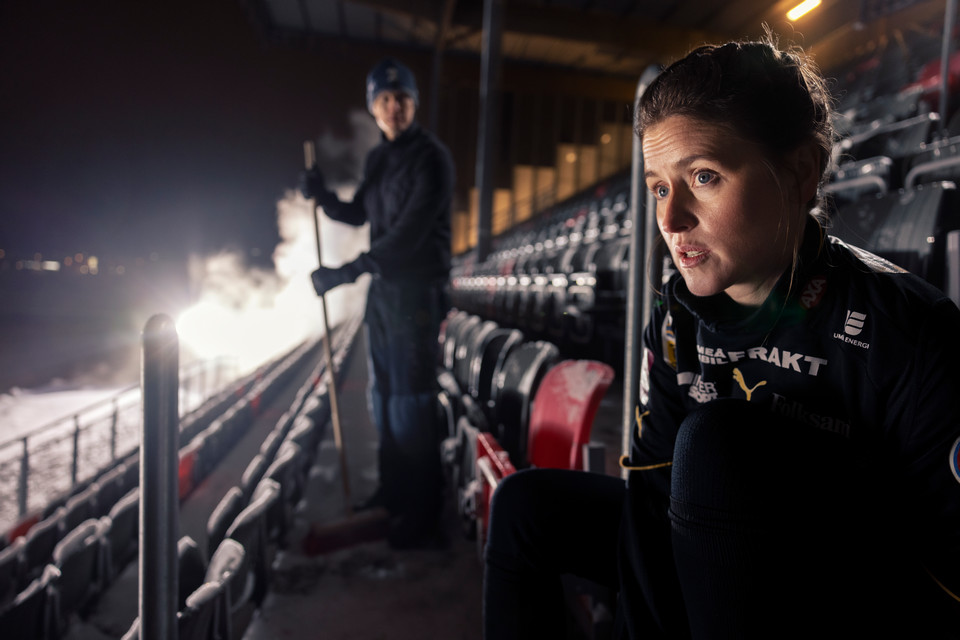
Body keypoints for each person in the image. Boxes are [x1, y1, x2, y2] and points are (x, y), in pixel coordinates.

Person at [482, 35, 960, 638]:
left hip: (852, 593)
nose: (671, 219)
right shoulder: (676, 317)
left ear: (799, 174)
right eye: (659, 187)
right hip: (704, 553)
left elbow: (945, 573)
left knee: (713, 447)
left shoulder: (913, 333)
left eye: (704, 176)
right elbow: (652, 501)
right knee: (525, 508)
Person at [299, 57, 454, 548]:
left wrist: (346, 273)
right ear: (374, 108)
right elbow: (358, 210)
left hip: (417, 293)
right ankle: (392, 496)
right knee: (383, 398)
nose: (394, 108)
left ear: (413, 104)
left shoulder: (432, 158)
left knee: (411, 400)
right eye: (384, 100)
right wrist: (322, 196)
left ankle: (421, 512)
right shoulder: (378, 160)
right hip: (384, 294)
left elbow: (406, 236)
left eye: (402, 99)